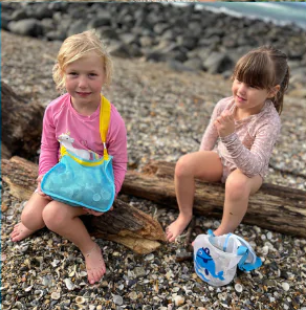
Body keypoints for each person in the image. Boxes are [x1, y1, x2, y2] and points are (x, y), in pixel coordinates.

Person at [11, 30, 128, 284]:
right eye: (74, 74)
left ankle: (89, 248)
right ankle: (39, 217)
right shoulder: (54, 110)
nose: (82, 84)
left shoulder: (111, 119)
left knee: (53, 216)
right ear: (62, 73)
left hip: (93, 184)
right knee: (29, 218)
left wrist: (108, 197)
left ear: (105, 75)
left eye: (92, 75)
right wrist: (44, 179)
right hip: (65, 175)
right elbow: (49, 148)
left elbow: (119, 162)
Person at [166, 46, 289, 242]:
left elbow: (253, 167)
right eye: (239, 80)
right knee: (183, 164)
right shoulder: (225, 104)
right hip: (221, 159)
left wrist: (231, 137)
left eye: (252, 86)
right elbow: (209, 135)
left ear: (271, 92)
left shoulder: (269, 122)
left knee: (236, 184)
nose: (241, 89)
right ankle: (184, 215)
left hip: (249, 174)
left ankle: (223, 231)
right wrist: (200, 161)